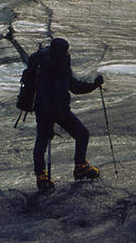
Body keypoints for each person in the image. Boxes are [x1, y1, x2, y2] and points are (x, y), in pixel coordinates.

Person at [29, 37, 104, 191]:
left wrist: (94, 85)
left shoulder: (51, 65)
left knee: (43, 140)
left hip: (45, 109)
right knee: (81, 133)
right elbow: (75, 87)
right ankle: (80, 166)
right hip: (56, 109)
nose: (69, 53)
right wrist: (94, 85)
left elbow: (73, 86)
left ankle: (42, 176)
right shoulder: (59, 65)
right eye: (67, 50)